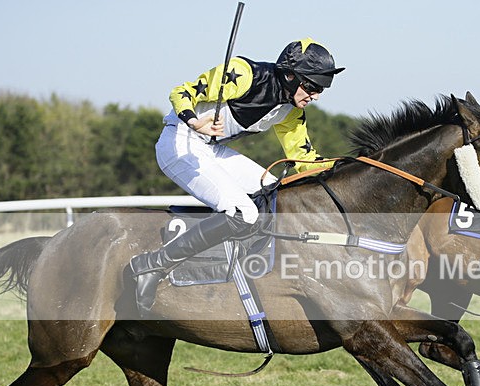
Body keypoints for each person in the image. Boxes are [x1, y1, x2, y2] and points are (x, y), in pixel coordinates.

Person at [130, 38, 344, 312]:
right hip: (180, 142)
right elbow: (180, 92)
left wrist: (354, 166)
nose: (316, 96)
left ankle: (244, 267)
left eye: (321, 90)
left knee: (276, 195)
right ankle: (153, 266)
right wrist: (196, 121)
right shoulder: (244, 74)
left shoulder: (291, 111)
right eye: (312, 87)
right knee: (245, 213)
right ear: (290, 76)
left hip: (211, 149)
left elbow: (304, 161)